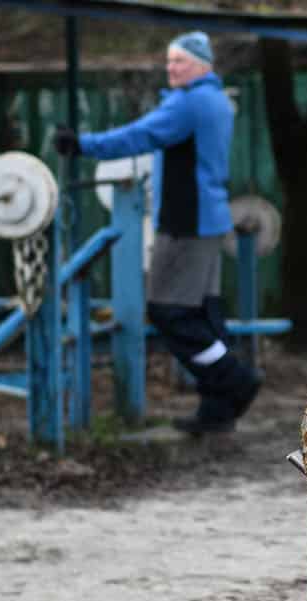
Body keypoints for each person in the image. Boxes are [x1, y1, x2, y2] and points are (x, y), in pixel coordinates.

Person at [53, 30, 261, 435]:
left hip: (186, 222)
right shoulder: (216, 100)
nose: (171, 67)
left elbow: (140, 136)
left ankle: (234, 379)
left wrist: (82, 145)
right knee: (203, 314)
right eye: (168, 60)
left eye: (179, 61)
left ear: (202, 65)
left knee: (170, 312)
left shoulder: (189, 103)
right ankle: (217, 407)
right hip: (207, 219)